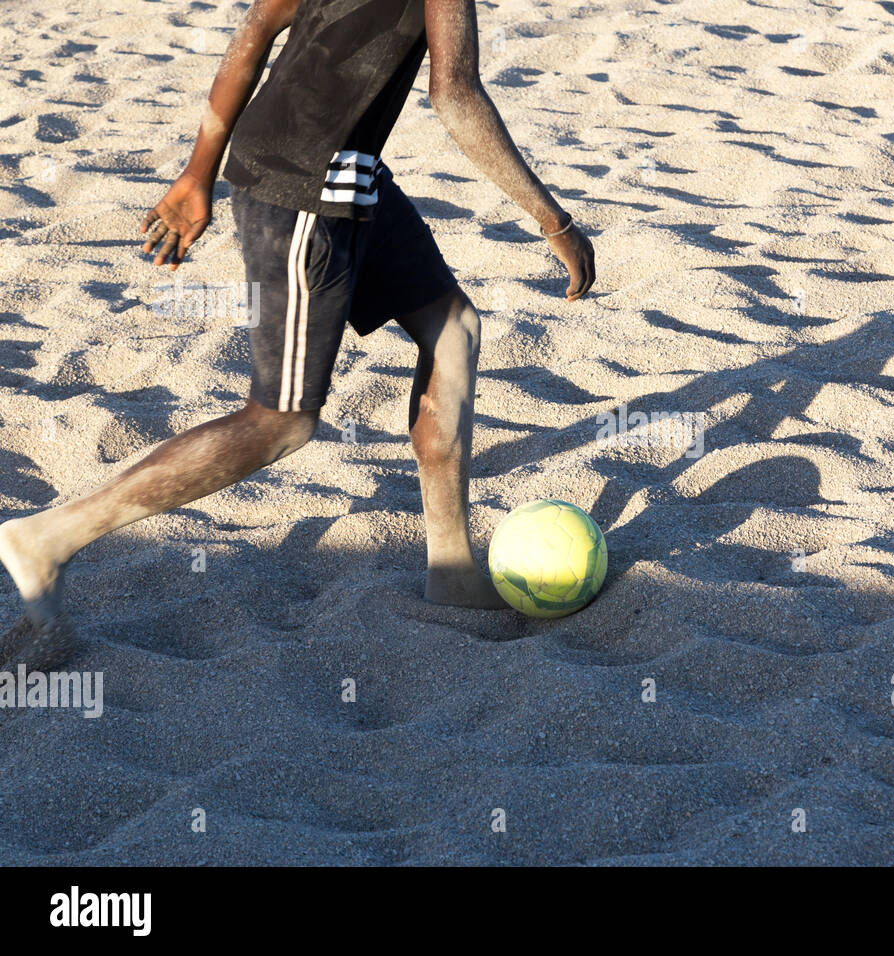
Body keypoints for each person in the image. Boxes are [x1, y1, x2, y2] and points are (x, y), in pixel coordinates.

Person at [0, 0, 594, 660]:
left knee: (452, 329)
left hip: (347, 176)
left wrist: (202, 170)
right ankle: (48, 539)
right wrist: (554, 222)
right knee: (280, 422)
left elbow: (255, 26)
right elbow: (454, 93)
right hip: (304, 188)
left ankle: (452, 572)